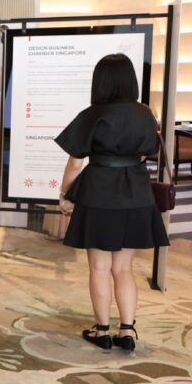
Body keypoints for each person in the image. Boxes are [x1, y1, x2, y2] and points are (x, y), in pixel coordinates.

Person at [55, 53, 168, 352]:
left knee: (99, 267)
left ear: (100, 82)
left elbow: (75, 165)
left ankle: (102, 330)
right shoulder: (145, 115)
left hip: (98, 192)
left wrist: (65, 194)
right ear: (130, 80)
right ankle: (127, 331)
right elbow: (145, 154)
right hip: (136, 193)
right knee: (124, 268)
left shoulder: (92, 114)